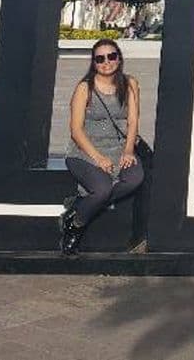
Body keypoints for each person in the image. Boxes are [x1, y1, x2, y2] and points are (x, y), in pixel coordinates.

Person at [59, 39, 146, 254]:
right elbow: (76, 130)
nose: (107, 62)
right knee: (102, 189)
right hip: (85, 150)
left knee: (135, 179)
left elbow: (133, 121)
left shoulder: (130, 84)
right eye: (100, 59)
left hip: (118, 149)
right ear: (94, 63)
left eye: (111, 56)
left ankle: (79, 206)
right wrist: (98, 158)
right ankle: (76, 225)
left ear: (119, 57)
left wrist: (128, 150)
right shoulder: (84, 88)